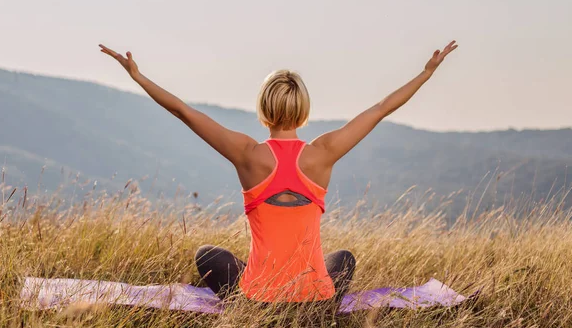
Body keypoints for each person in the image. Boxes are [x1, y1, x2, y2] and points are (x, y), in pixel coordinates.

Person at [99, 40, 458, 306]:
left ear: (263, 109)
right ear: (303, 111)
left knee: (208, 254)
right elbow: (379, 110)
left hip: (259, 300)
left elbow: (184, 112)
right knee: (344, 259)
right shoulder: (324, 153)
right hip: (313, 303)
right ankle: (316, 301)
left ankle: (245, 306)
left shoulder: (247, 155)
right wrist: (426, 73)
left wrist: (138, 76)